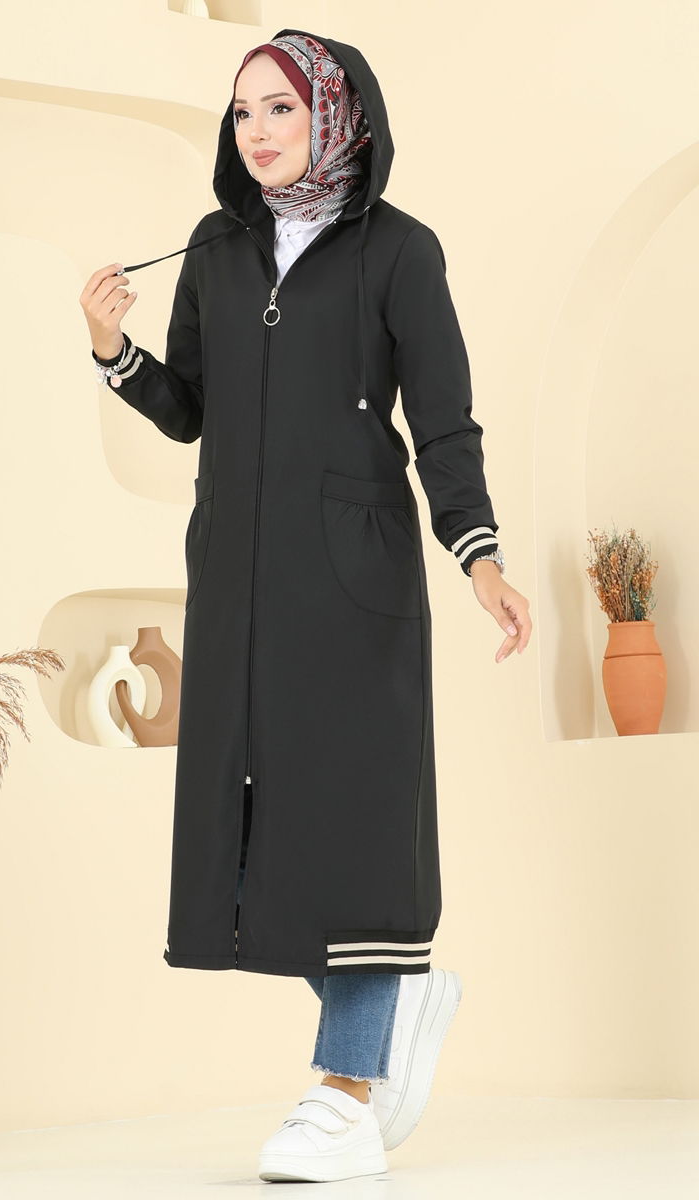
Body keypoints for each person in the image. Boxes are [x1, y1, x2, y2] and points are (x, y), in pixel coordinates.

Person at [80, 28, 532, 1185]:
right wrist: (113, 350)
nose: (256, 130)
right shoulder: (215, 249)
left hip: (355, 578)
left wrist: (477, 556)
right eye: (241, 111)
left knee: (356, 823)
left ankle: (343, 1092)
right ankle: (391, 1003)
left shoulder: (400, 250)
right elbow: (191, 408)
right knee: (266, 827)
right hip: (238, 579)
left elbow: (442, 419)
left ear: (337, 114)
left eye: (279, 107)